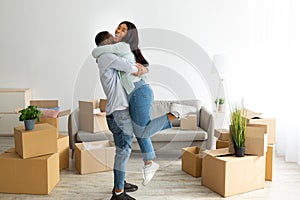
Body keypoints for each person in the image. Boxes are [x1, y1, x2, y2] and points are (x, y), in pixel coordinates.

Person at [92, 22, 195, 186]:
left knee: (142, 131)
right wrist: (143, 68)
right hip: (133, 94)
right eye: (117, 29)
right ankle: (148, 164)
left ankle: (175, 113)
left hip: (139, 92)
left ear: (129, 35)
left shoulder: (120, 48)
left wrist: (141, 69)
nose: (118, 32)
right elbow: (139, 65)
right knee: (140, 132)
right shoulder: (115, 53)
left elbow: (129, 66)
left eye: (123, 29)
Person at [94, 31, 148, 200]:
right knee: (124, 151)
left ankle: (120, 183)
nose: (116, 39)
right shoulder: (106, 57)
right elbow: (130, 67)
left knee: (122, 151)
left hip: (117, 112)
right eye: (113, 37)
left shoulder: (106, 57)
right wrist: (142, 69)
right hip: (118, 113)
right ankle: (118, 193)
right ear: (106, 41)